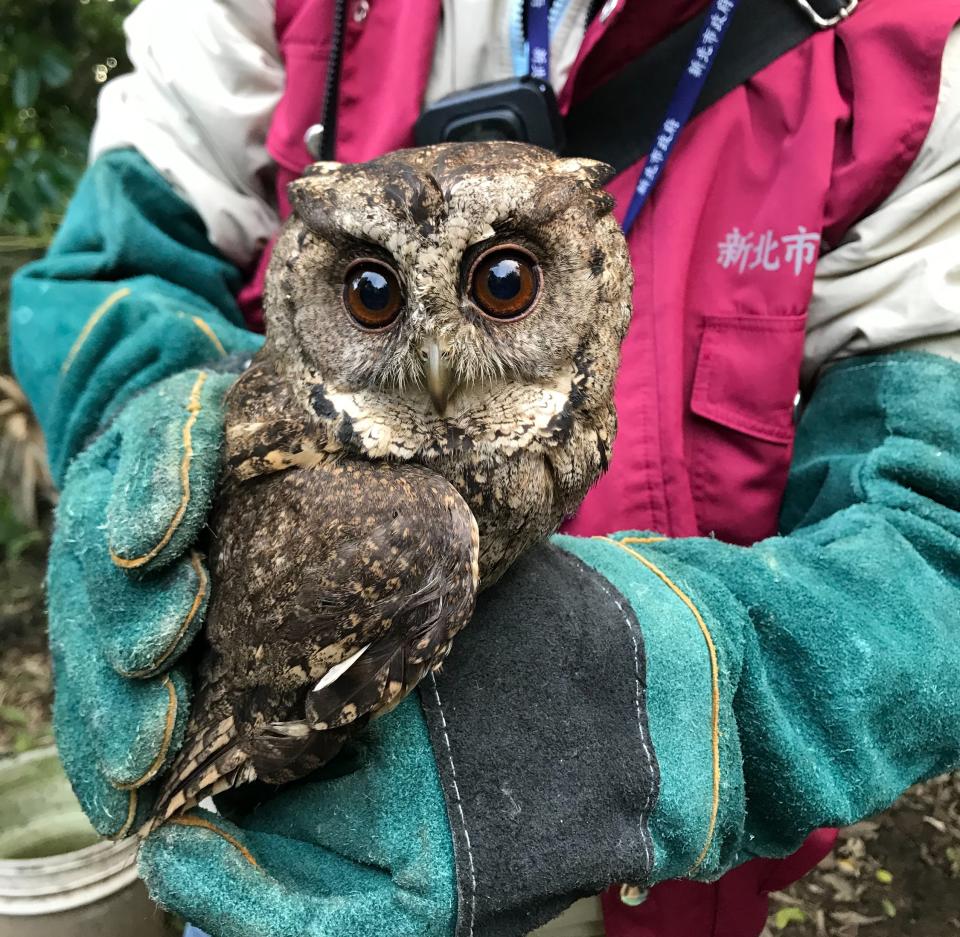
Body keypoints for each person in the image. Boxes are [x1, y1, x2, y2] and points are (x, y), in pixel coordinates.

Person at [10, 0, 960, 935]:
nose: (437, 366)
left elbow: (936, 533)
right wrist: (147, 418)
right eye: (371, 294)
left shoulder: (905, 62)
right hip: (311, 858)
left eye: (505, 283)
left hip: (664, 885)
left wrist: (684, 693)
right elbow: (113, 261)